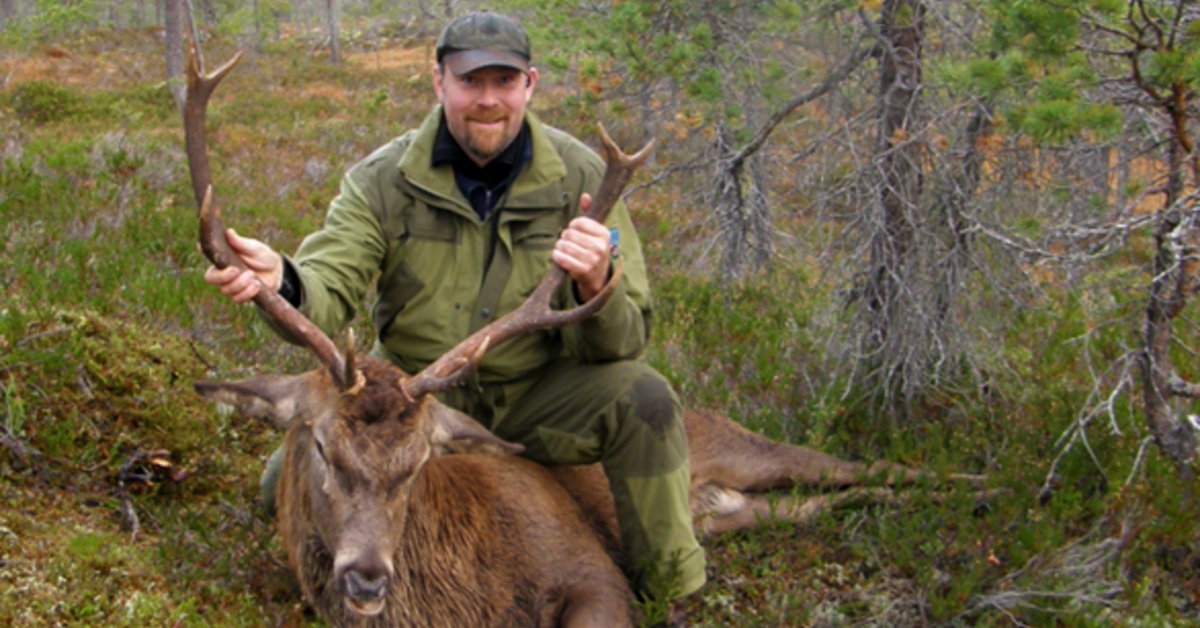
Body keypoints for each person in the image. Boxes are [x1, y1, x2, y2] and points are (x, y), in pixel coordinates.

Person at [203, 10, 705, 611]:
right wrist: (282, 280)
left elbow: (624, 342)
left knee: (645, 400)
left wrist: (596, 283)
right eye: (470, 81)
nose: (488, 100)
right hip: (415, 404)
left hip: (536, 392)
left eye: (504, 81)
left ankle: (669, 594)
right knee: (277, 485)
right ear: (439, 81)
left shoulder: (583, 180)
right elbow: (329, 283)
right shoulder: (382, 180)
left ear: (530, 85)